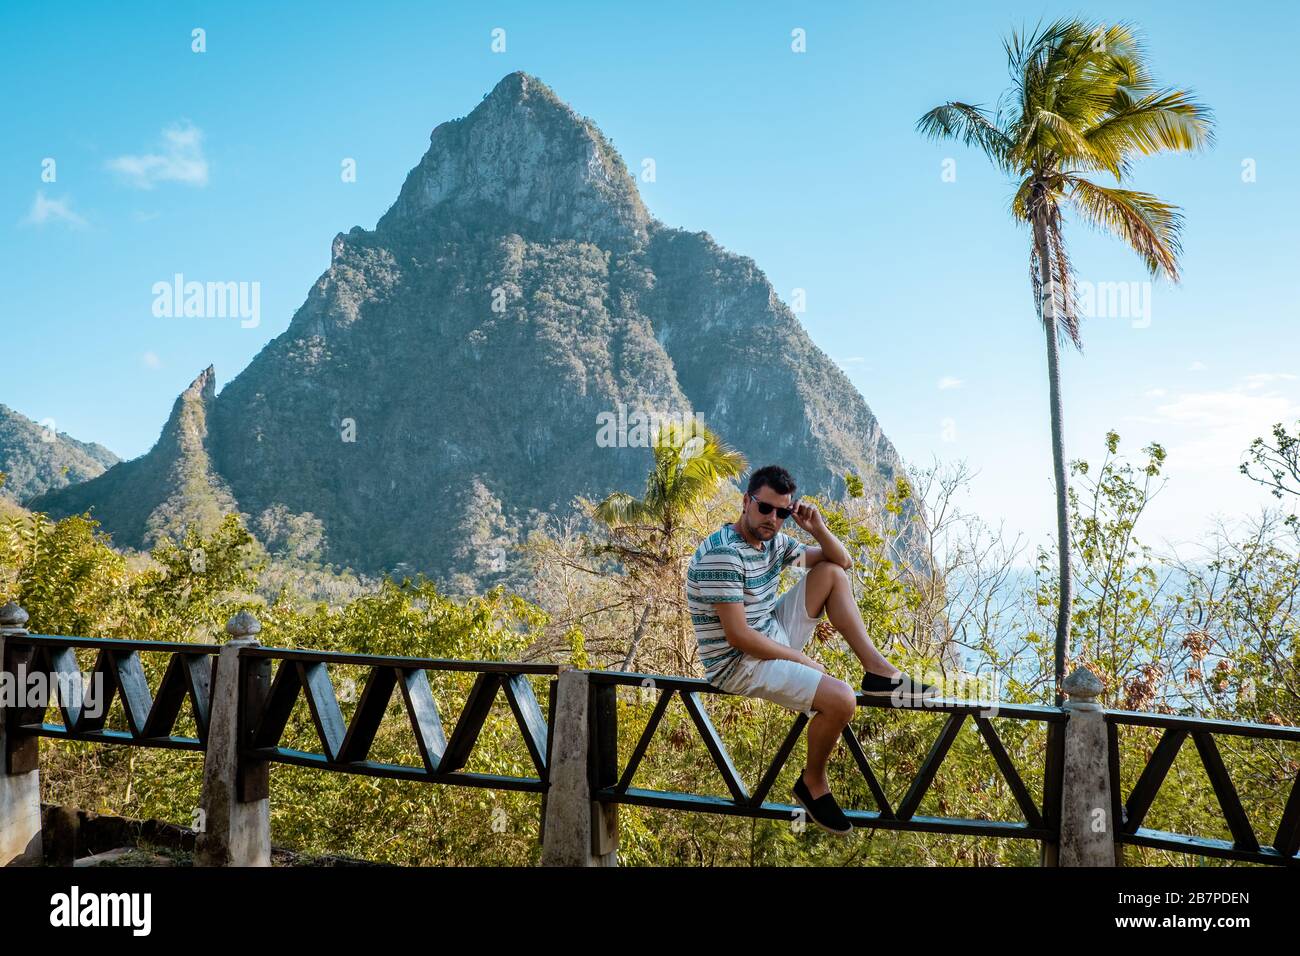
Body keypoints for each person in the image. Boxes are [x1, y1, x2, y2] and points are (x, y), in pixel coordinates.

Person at [685, 464, 938, 835]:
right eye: (765, 508)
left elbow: (842, 561)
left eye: (782, 512)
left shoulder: (772, 541)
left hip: (770, 634)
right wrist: (800, 658)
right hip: (739, 663)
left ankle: (878, 671)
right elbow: (738, 636)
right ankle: (812, 784)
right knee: (841, 701)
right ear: (746, 502)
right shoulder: (723, 554)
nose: (773, 519)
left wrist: (816, 527)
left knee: (832, 575)